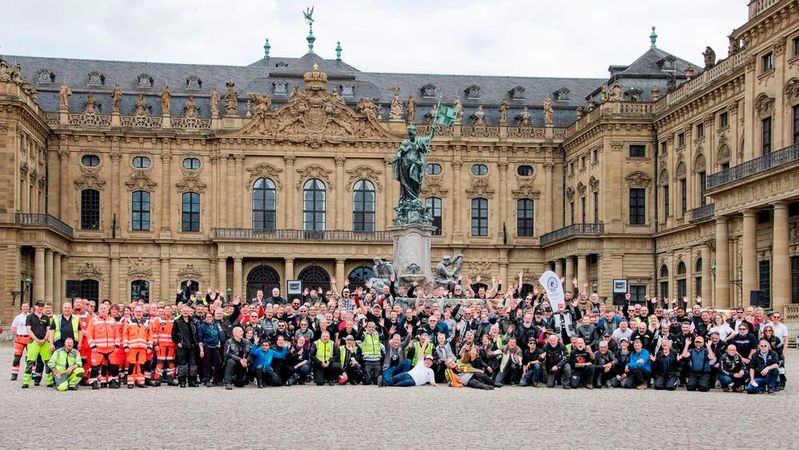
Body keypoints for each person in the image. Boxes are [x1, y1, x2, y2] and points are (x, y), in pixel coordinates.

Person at [85, 304, 121, 389]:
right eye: (101, 308)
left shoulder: (112, 320)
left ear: (108, 310)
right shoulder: (93, 320)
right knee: (95, 367)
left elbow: (117, 334)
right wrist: (92, 346)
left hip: (111, 348)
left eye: (105, 308)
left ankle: (112, 381)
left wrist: (117, 345)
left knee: (113, 366)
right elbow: (89, 334)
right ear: (99, 310)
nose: (103, 310)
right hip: (98, 348)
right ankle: (93, 381)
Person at [21, 301, 53, 388]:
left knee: (48, 362)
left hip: (44, 342)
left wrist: (45, 339)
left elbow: (48, 329)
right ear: (35, 306)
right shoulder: (30, 317)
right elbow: (28, 330)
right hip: (33, 342)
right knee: (30, 362)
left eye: (42, 306)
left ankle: (49, 381)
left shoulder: (46, 317)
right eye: (39, 306)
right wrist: (36, 339)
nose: (40, 307)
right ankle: (26, 381)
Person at [122, 306, 152, 389]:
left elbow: (150, 335)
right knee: (131, 365)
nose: (138, 313)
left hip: (143, 348)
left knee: (142, 365)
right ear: (133, 313)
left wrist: (149, 347)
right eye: (137, 312)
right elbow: (124, 334)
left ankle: (140, 381)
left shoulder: (147, 322)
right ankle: (130, 382)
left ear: (142, 313)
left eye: (140, 312)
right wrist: (125, 345)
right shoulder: (128, 321)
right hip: (132, 347)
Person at [171, 305, 199, 388]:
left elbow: (197, 333)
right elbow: (173, 335)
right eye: (184, 311)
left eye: (187, 311)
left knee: (193, 365)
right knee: (182, 365)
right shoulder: (177, 321)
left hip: (193, 346)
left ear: (190, 312)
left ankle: (192, 381)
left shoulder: (194, 321)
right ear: (181, 312)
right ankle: (182, 381)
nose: (185, 312)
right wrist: (177, 342)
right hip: (182, 346)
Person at [197, 311, 224, 387]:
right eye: (207, 317)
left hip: (215, 346)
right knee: (207, 363)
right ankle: (206, 379)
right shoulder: (202, 326)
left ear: (213, 318)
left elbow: (218, 335)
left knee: (218, 362)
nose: (209, 318)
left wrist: (218, 342)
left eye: (210, 317)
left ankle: (215, 380)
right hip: (206, 345)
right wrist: (201, 349)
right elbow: (200, 338)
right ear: (205, 318)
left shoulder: (215, 325)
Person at [152, 306, 176, 386]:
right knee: (160, 362)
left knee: (171, 363)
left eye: (169, 309)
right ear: (163, 310)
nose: (168, 310)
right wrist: (155, 344)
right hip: (161, 345)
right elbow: (154, 332)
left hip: (171, 345)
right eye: (166, 309)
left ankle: (170, 379)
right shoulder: (158, 319)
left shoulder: (174, 320)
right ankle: (157, 379)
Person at [10, 303, 30, 381]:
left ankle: (30, 373)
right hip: (20, 339)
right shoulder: (18, 317)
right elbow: (13, 328)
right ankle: (14, 374)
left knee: (30, 358)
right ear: (21, 308)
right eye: (24, 306)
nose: (25, 308)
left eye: (27, 306)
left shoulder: (31, 316)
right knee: (17, 358)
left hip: (29, 339)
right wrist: (18, 334)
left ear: (29, 308)